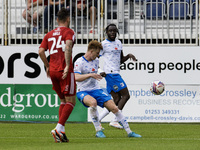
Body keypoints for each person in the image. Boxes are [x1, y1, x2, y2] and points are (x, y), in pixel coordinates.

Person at [74, 40, 141, 138]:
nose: (98, 56)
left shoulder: (96, 61)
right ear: (91, 51)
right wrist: (90, 75)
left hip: (96, 89)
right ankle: (98, 130)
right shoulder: (79, 62)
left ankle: (129, 132)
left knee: (114, 107)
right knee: (93, 103)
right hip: (83, 91)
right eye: (97, 53)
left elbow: (97, 68)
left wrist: (100, 71)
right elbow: (76, 77)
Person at [38, 8, 76, 143]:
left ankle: (61, 133)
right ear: (68, 19)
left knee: (63, 101)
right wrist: (66, 65)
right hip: (64, 70)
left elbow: (41, 51)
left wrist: (47, 66)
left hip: (53, 71)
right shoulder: (69, 32)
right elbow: (68, 46)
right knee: (71, 102)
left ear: (56, 20)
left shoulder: (49, 34)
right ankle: (58, 128)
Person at [98, 24, 138, 129]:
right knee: (126, 96)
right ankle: (115, 120)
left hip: (116, 72)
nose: (112, 33)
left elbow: (120, 60)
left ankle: (98, 119)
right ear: (106, 32)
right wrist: (99, 70)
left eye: (114, 31)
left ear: (117, 32)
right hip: (111, 74)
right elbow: (94, 58)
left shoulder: (119, 43)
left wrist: (128, 56)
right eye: (110, 31)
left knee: (116, 99)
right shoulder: (103, 44)